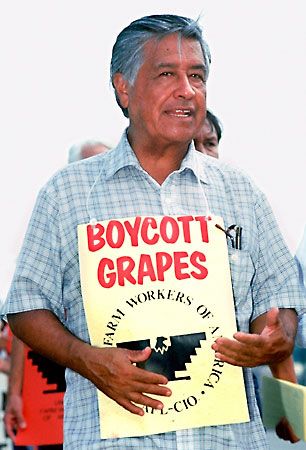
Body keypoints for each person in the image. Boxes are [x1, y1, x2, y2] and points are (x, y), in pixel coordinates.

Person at [2, 14, 304, 449]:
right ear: (123, 88)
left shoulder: (241, 193)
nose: (188, 90)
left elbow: (280, 302)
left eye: (197, 75)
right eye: (167, 74)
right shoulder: (67, 194)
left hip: (227, 438)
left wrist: (276, 338)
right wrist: (88, 360)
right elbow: (26, 307)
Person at [4, 140, 110, 450]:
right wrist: (15, 393)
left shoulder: (134, 232)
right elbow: (24, 318)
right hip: (56, 396)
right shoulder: (51, 230)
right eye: (86, 168)